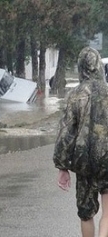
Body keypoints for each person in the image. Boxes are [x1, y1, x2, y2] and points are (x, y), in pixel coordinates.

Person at [53, 46, 108, 237]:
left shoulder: (75, 95)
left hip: (84, 161)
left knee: (86, 214)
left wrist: (62, 167)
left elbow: (66, 132)